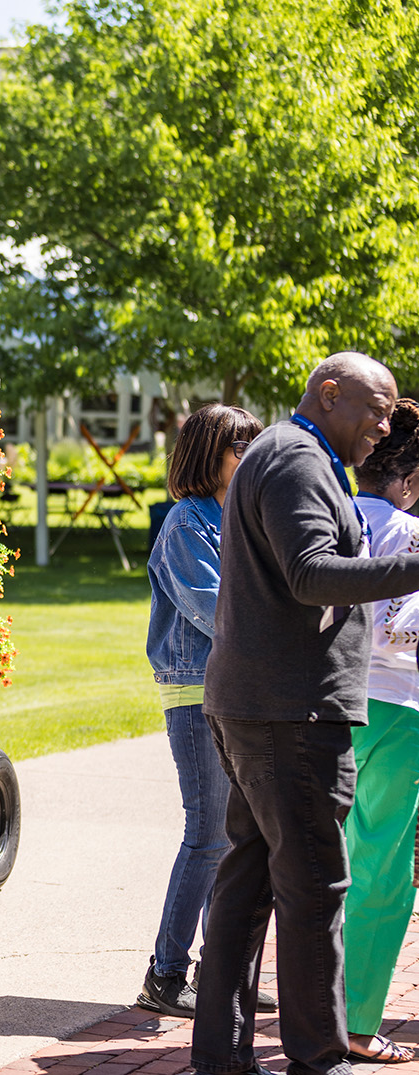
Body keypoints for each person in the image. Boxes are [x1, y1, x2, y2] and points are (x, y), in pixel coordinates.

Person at [192, 353, 419, 1075]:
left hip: (263, 705)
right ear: (329, 394)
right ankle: (322, 1061)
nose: (385, 427)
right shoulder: (296, 459)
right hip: (290, 713)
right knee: (315, 887)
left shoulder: (287, 455)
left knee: (249, 881)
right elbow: (311, 573)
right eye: (377, 409)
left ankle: (223, 1058)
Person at [140, 403, 272, 1019]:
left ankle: (225, 973)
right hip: (197, 691)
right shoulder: (187, 522)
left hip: (238, 691)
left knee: (242, 838)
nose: (249, 454)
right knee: (210, 833)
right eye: (237, 445)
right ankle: (167, 975)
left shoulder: (237, 516)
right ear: (205, 454)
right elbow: (213, 607)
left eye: (254, 442)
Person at [343, 399, 419, 1065]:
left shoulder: (334, 515)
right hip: (397, 709)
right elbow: (406, 628)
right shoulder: (408, 533)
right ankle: (359, 1018)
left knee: (326, 860)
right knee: (385, 869)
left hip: (329, 702)